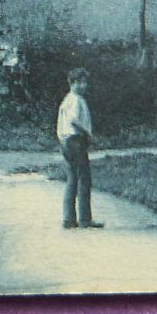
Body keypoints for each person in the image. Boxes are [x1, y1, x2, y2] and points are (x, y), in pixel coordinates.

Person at [56, 67, 103, 229]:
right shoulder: (76, 99)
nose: (83, 86)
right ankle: (85, 219)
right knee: (84, 179)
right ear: (72, 83)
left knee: (72, 179)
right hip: (75, 140)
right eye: (79, 82)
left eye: (85, 82)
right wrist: (88, 134)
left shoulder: (67, 99)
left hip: (66, 141)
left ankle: (69, 219)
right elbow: (74, 120)